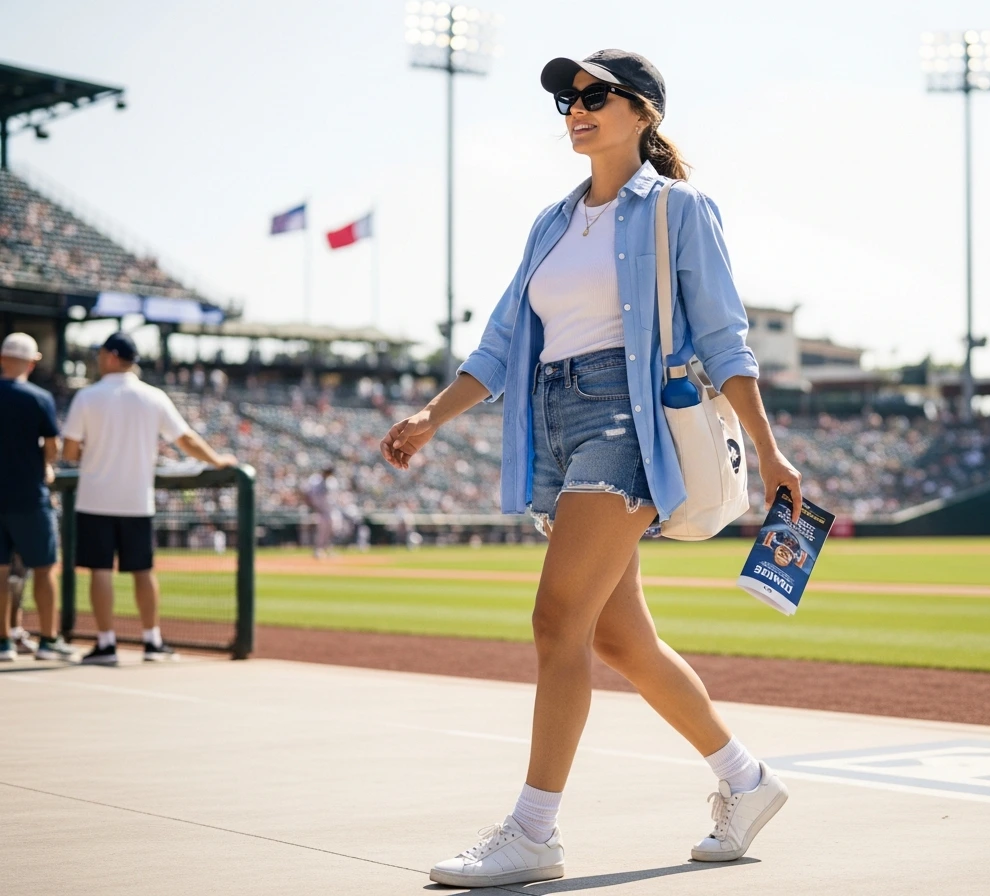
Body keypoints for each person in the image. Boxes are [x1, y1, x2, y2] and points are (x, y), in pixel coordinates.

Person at [380, 50, 803, 889]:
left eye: (594, 95)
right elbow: (503, 340)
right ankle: (747, 782)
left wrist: (767, 445)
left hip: (628, 420)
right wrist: (433, 413)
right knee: (617, 636)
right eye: (566, 98)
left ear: (643, 111)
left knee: (556, 620)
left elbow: (725, 337)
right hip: (554, 420)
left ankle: (534, 831)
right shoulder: (552, 220)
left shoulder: (678, 208)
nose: (575, 108)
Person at [61, 332, 237, 666]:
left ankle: (106, 643)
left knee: (100, 571)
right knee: (143, 571)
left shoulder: (87, 396)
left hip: (95, 498)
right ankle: (152, 641)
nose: (97, 360)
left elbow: (70, 451)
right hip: (136, 500)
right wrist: (216, 460)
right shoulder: (152, 396)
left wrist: (96, 452)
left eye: (100, 354)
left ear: (112, 356)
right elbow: (185, 438)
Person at [0, 332, 76, 662]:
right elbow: (53, 448)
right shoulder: (39, 398)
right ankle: (47, 640)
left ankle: (3, 643)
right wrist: (45, 466)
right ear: (32, 362)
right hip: (29, 496)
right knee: (46, 569)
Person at [303, 467, 336, 558]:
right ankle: (318, 550)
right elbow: (307, 493)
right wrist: (311, 507)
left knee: (330, 530)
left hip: (329, 510)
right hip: (318, 510)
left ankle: (327, 548)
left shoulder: (332, 481)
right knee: (321, 530)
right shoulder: (315, 479)